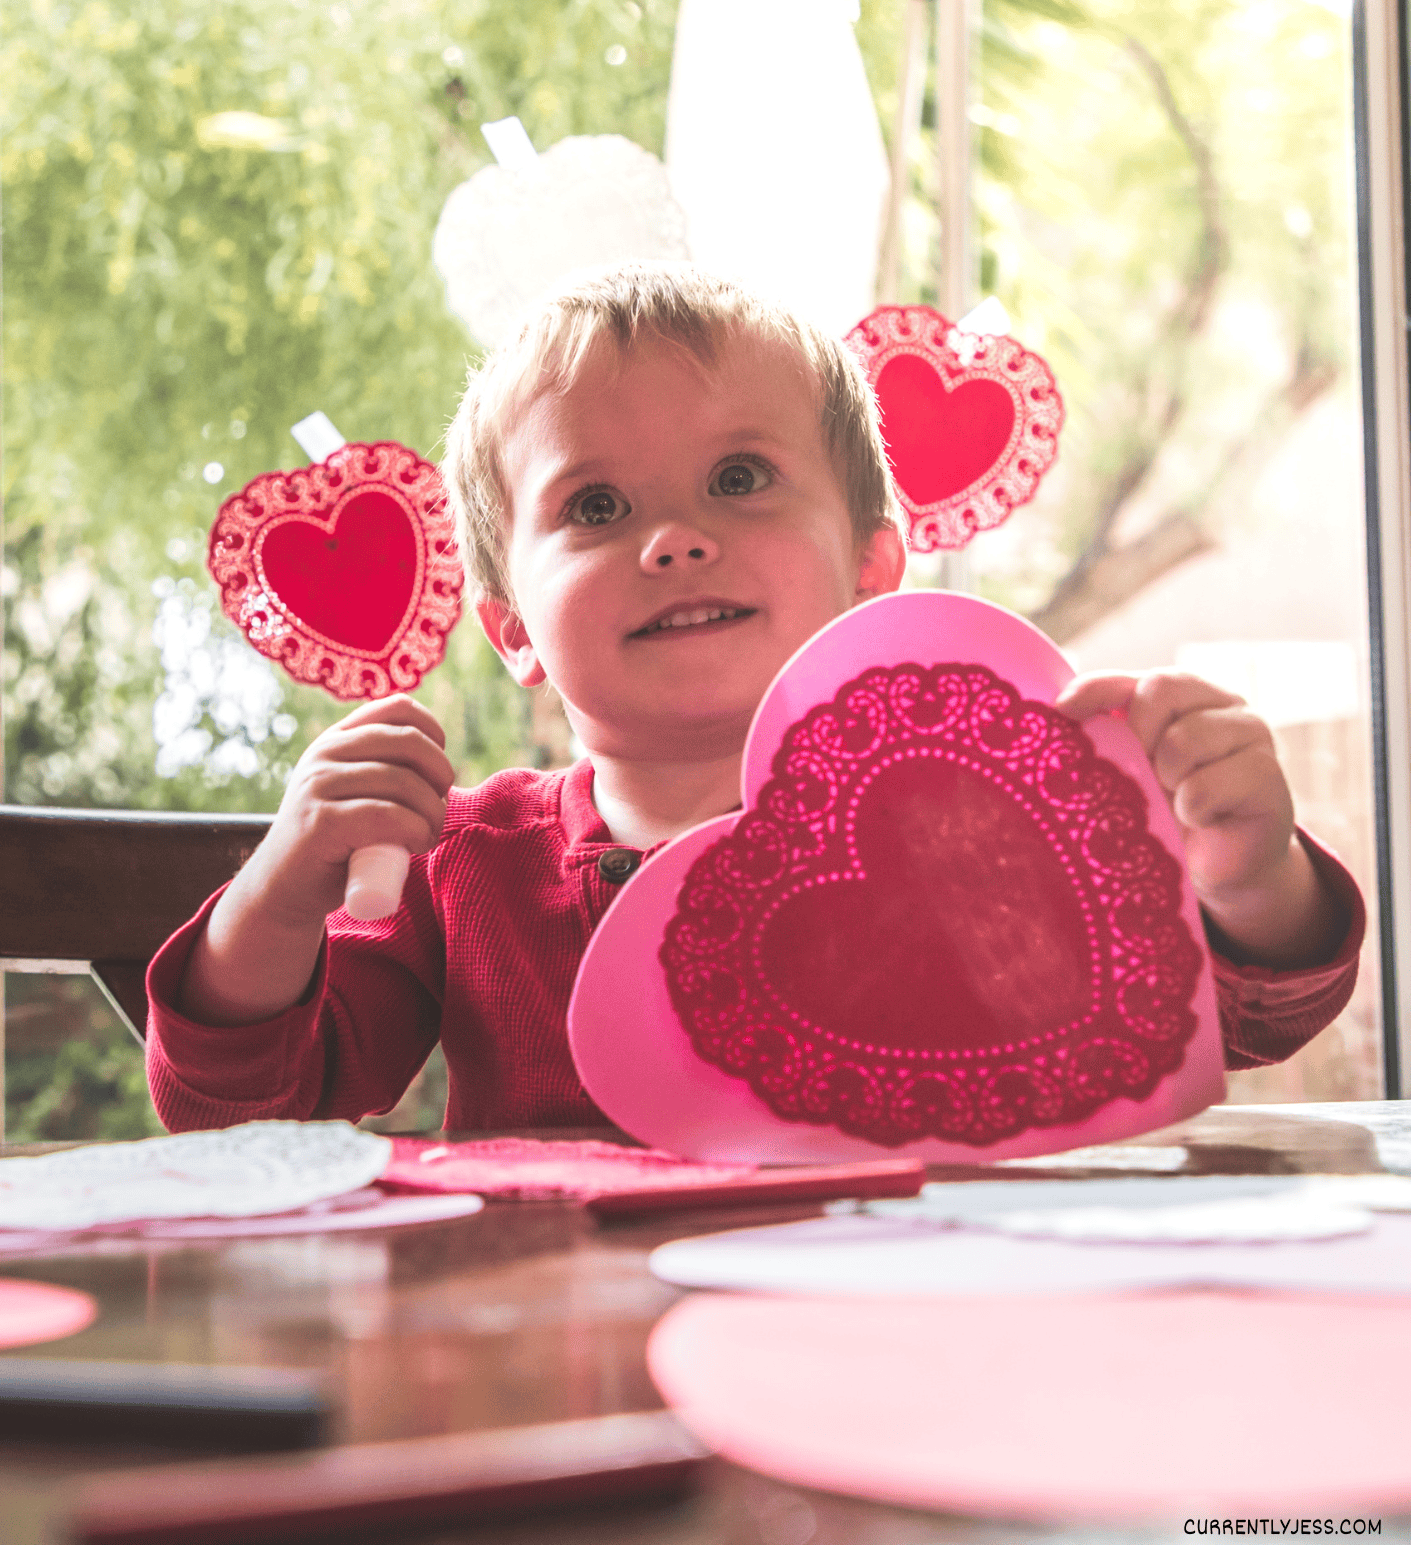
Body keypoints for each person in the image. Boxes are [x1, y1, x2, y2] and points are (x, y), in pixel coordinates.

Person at [145, 263, 1363, 1133]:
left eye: (739, 478)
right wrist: (281, 888)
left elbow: (1237, 1016)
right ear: (510, 627)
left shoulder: (967, 818)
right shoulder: (458, 869)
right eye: (596, 507)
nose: (673, 539)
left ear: (869, 573)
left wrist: (1244, 873)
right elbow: (245, 1102)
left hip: (909, 1337)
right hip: (556, 1378)